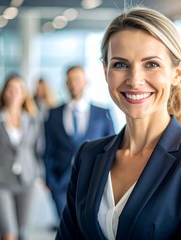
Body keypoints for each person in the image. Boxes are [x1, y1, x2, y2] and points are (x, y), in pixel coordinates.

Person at [56, 7, 181, 240]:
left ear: (176, 73)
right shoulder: (88, 156)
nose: (134, 80)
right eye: (120, 64)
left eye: (151, 64)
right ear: (105, 70)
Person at [44, 65, 115, 221]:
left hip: (93, 182)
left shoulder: (102, 113)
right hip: (61, 183)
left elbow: (112, 149)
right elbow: (49, 149)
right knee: (66, 228)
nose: (74, 84)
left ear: (86, 82)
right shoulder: (53, 114)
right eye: (70, 80)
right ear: (66, 84)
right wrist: (50, 179)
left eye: (77, 79)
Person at [0, 74, 42, 240]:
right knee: (8, 233)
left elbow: (38, 150)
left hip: (27, 182)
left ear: (25, 93)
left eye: (19, 88)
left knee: (22, 233)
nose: (14, 92)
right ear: (4, 92)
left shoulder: (33, 119)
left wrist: (37, 174)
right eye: (10, 89)